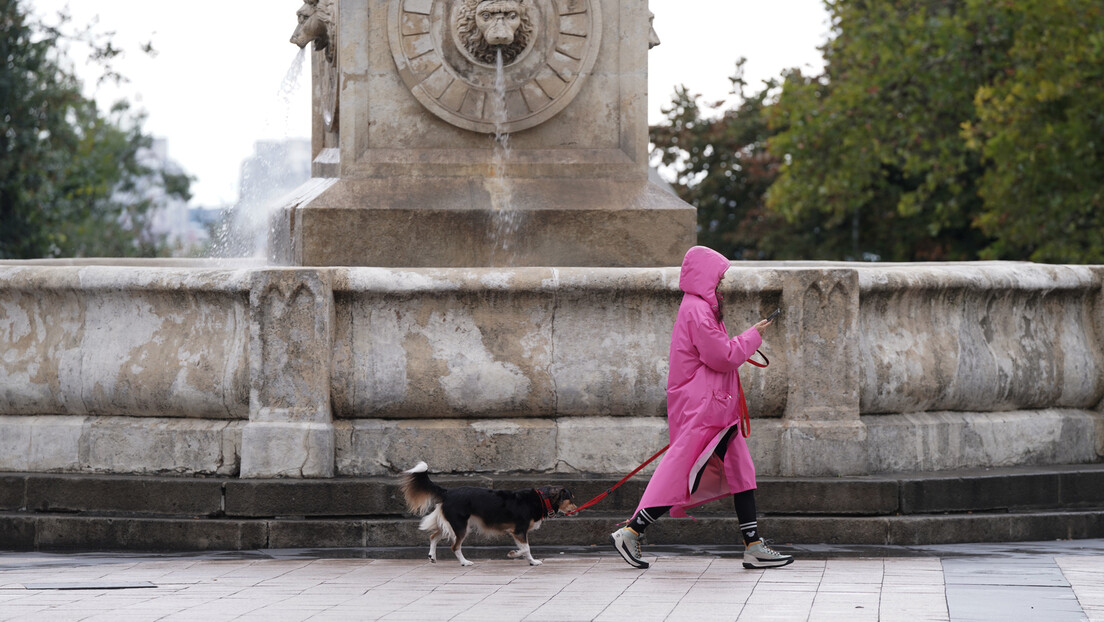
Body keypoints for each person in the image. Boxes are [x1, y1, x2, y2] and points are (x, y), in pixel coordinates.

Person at [609, 245, 794, 570]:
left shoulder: (698, 308)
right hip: (706, 409)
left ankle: (752, 545)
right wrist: (752, 337)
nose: (721, 284)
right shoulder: (697, 310)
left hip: (714, 408)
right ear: (706, 277)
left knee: (739, 471)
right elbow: (722, 357)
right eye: (719, 277)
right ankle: (631, 530)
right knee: (683, 471)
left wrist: (746, 338)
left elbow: (717, 351)